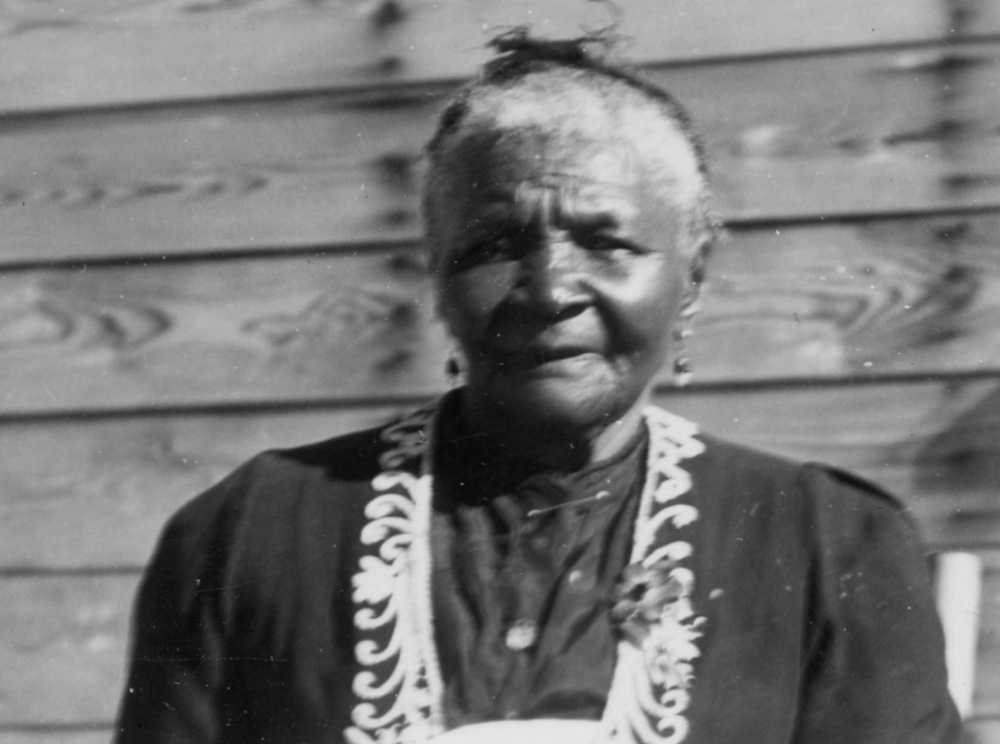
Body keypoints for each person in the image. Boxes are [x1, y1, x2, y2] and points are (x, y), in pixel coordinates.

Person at [115, 33, 961, 744]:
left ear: (691, 278)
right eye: (494, 245)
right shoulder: (248, 537)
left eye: (607, 242)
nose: (550, 288)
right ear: (437, 277)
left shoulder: (826, 547)